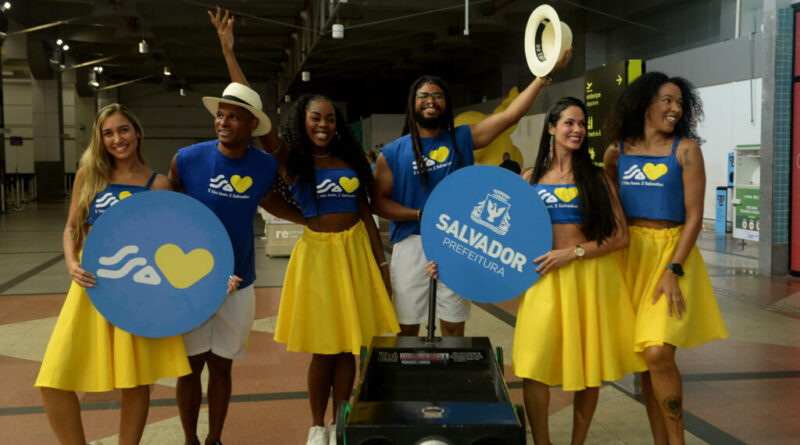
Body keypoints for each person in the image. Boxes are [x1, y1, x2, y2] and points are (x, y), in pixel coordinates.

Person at [209, 9, 399, 445]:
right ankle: (318, 425)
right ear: (303, 121)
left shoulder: (351, 161)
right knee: (323, 347)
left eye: (331, 119)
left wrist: (381, 266)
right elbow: (251, 106)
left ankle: (340, 423)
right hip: (317, 256)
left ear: (338, 125)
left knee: (349, 346)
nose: (324, 124)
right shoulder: (292, 159)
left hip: (354, 253)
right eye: (316, 117)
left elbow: (366, 214)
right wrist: (229, 53)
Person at [429, 97, 644, 444]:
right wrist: (451, 263)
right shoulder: (529, 178)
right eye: (569, 123)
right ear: (552, 128)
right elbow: (489, 234)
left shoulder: (597, 178)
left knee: (588, 372)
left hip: (586, 279)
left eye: (581, 124)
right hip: (542, 282)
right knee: (531, 366)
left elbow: (620, 237)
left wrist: (572, 253)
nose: (577, 130)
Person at [373, 50, 572, 338]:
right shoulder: (392, 153)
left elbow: (510, 115)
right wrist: (419, 214)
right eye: (424, 95)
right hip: (411, 243)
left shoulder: (462, 137)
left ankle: (451, 379)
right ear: (412, 103)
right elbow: (380, 203)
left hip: (455, 240)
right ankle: (413, 378)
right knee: (407, 325)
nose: (431, 100)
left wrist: (543, 77)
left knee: (453, 323)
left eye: (438, 95)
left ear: (446, 103)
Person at [169, 25, 305, 443]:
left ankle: (215, 439)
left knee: (223, 367)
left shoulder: (263, 165)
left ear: (250, 124)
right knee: (190, 367)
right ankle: (191, 439)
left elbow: (270, 203)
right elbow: (166, 214)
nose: (223, 121)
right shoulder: (187, 159)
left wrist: (312, 219)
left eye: (233, 116)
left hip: (239, 280)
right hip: (189, 280)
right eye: (220, 114)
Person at [35, 104, 191, 445]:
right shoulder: (89, 177)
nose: (117, 139)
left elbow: (170, 242)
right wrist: (71, 263)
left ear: (137, 132)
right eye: (108, 133)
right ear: (100, 139)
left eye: (123, 130)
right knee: (52, 380)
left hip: (136, 289)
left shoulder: (159, 184)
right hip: (90, 288)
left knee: (134, 381)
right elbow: (71, 229)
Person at [603, 72, 728, 445]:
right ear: (644, 105)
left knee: (657, 352)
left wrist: (674, 267)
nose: (676, 109)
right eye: (667, 101)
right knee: (646, 359)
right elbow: (609, 199)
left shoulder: (686, 150)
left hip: (672, 252)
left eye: (679, 103)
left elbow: (694, 217)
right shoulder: (617, 151)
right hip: (630, 255)